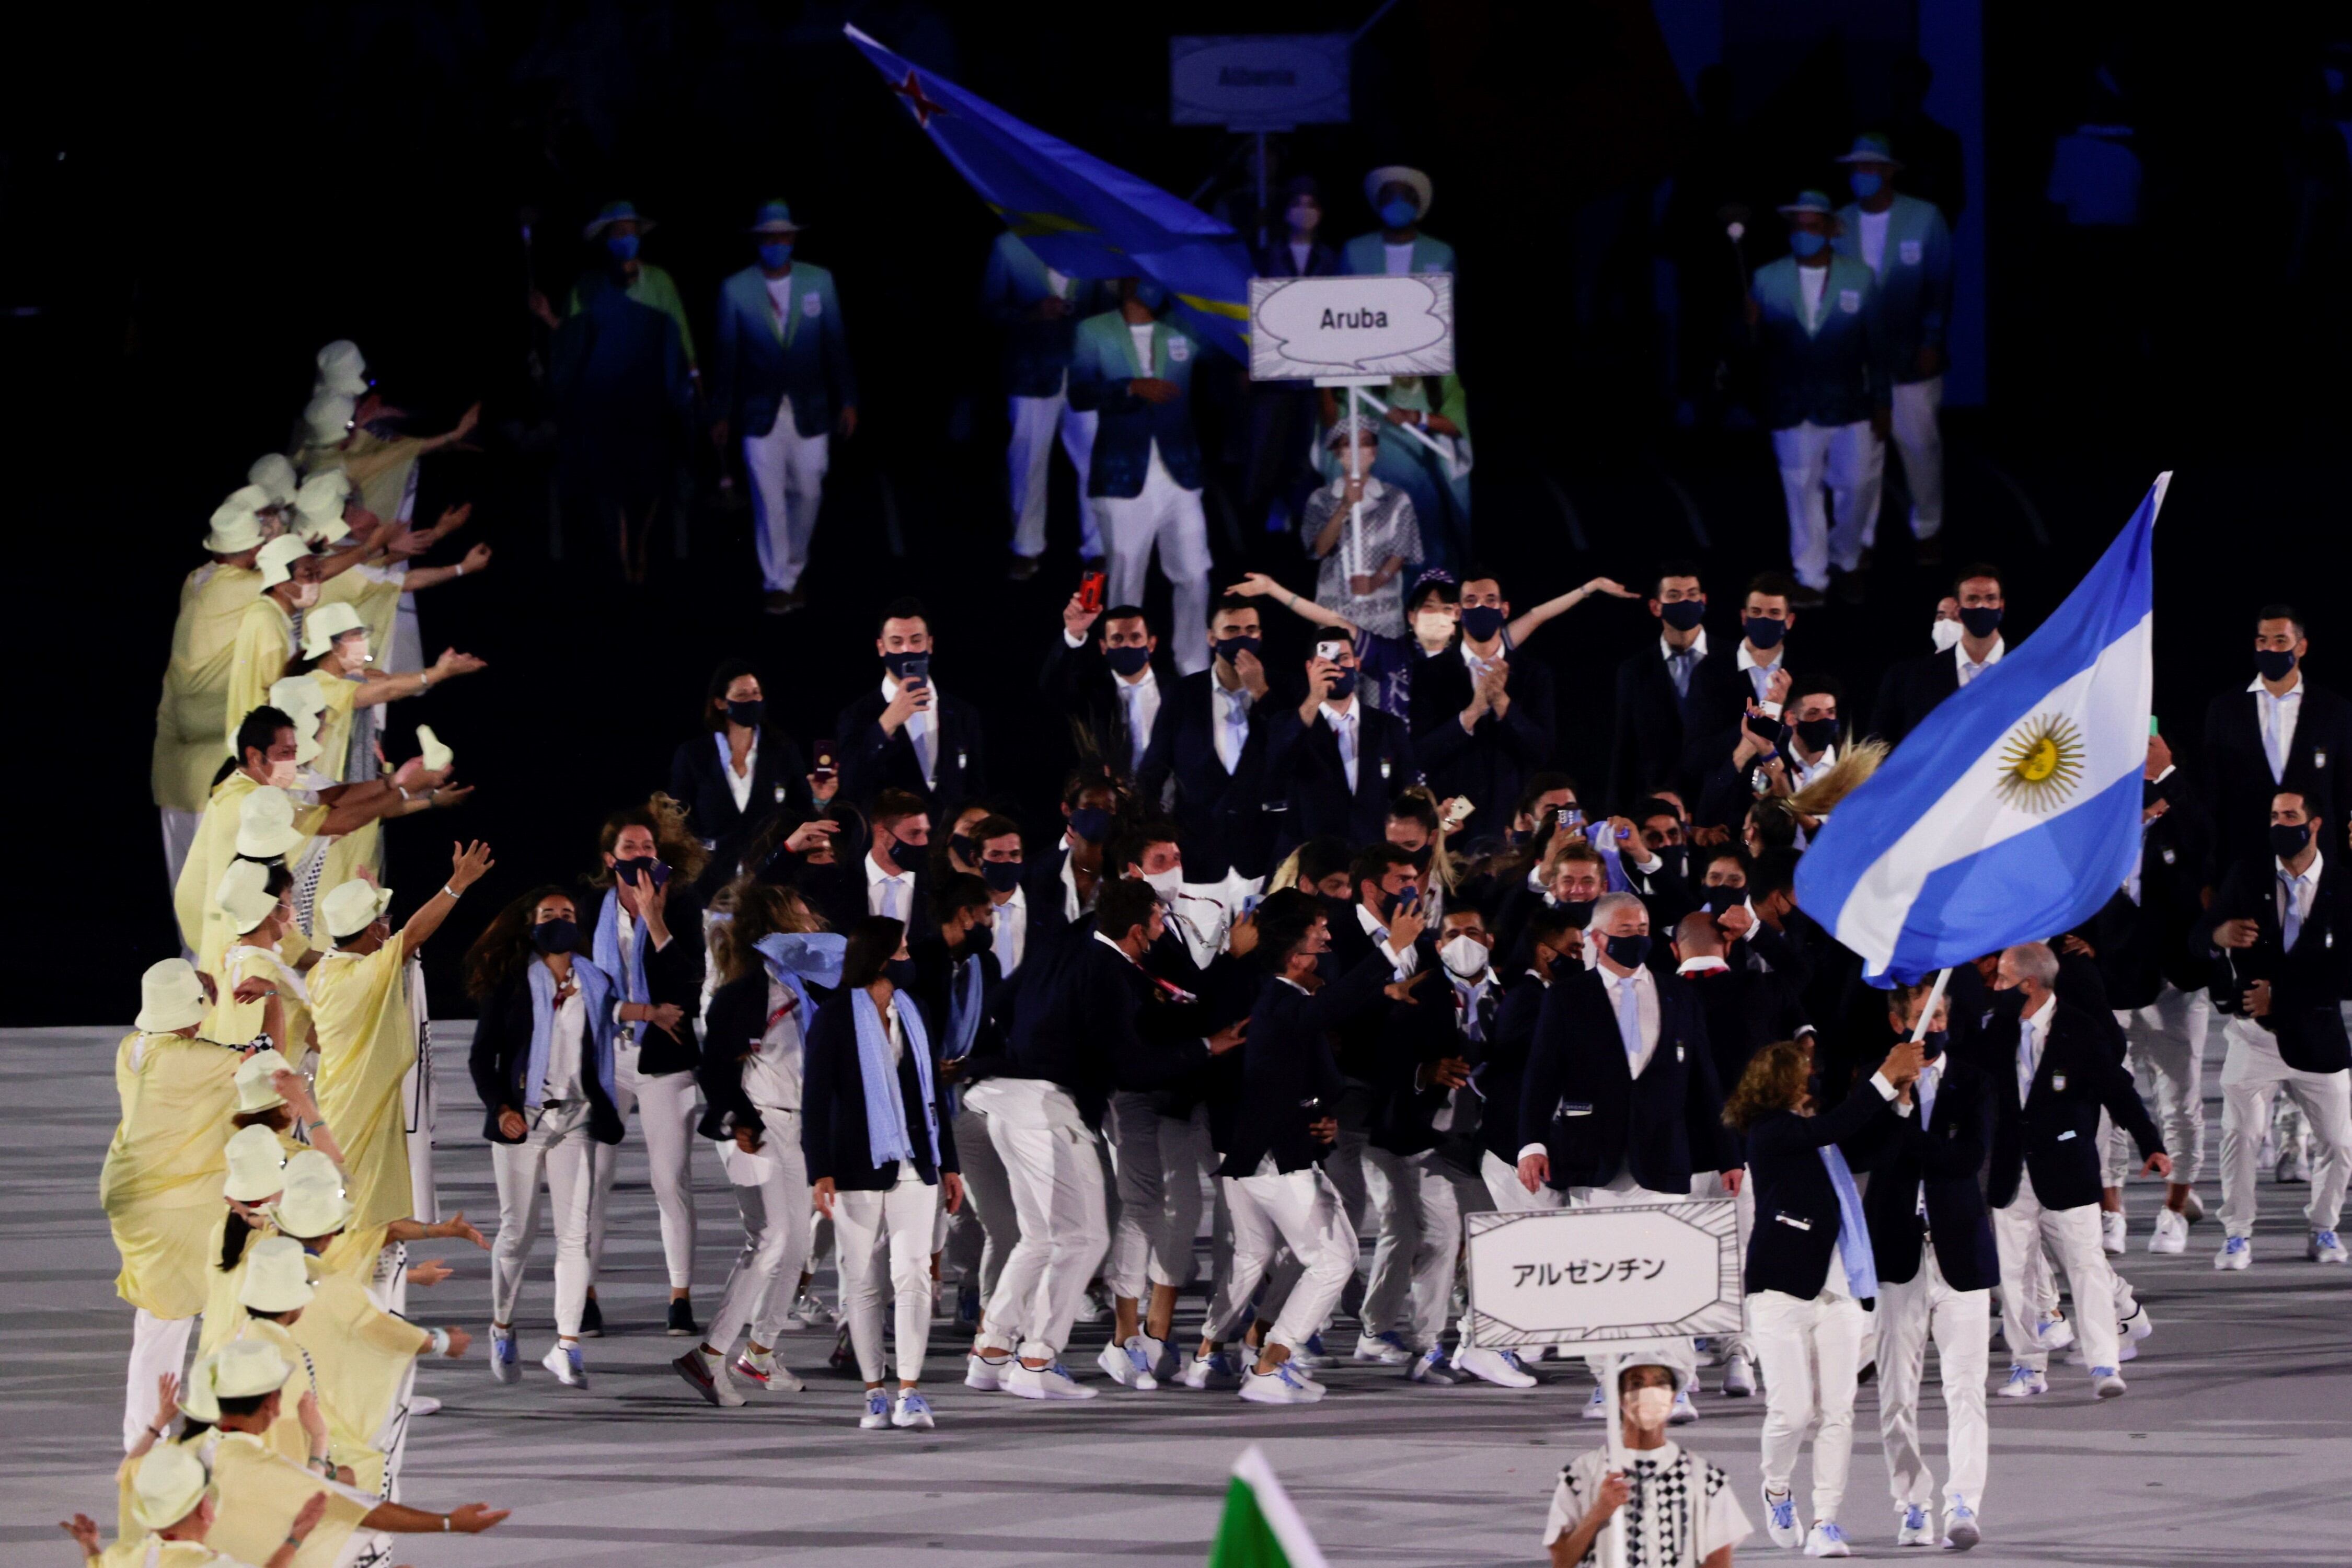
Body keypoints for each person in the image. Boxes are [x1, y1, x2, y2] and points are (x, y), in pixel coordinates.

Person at [964, 878, 1242, 1398]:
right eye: (1159, 923)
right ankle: (1038, 1359)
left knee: (1042, 1236)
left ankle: (993, 1349)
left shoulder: (1063, 948)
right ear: (1138, 931)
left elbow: (1000, 1000)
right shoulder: (1107, 972)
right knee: (1085, 1237)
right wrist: (1206, 1047)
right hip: (1044, 1107)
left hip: (999, 1096)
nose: (1164, 931)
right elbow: (1132, 1066)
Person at [1186, 889, 1400, 1402]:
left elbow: (1308, 1048)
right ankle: (1270, 1362)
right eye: (1319, 932)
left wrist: (1318, 1114)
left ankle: (1209, 1354)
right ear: (1294, 951)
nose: (1328, 939)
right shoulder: (1278, 999)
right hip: (1269, 1153)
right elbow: (1325, 1010)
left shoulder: (1286, 998)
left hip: (1259, 1149)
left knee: (1258, 1255)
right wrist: (1391, 952)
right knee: (1334, 1259)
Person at [1725, 1034, 1918, 1557]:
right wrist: (1885, 1073)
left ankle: (1826, 1520)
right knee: (1791, 1413)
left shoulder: (1816, 1138)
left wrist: (1900, 1103)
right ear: (1780, 1081)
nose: (1810, 1079)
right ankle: (1777, 1487)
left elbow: (1872, 1149)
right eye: (1801, 1073)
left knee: (1838, 1410)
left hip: (1839, 1292)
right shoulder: (1770, 1133)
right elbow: (1838, 1124)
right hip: (1781, 1292)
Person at [1985, 941, 2169, 1398]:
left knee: (2085, 1266)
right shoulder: (1995, 1030)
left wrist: (2151, 1144)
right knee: (2015, 1274)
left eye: (2003, 980)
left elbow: (2118, 1091)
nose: (1995, 986)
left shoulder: (2079, 1030)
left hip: (2067, 1170)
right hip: (2012, 1173)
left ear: (2028, 985)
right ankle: (2028, 1368)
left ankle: (2104, 1365)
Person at [802, 916, 963, 1429]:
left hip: (917, 1160)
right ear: (879, 957)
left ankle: (910, 1390)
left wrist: (951, 1164)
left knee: (913, 1272)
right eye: (902, 949)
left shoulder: (914, 1011)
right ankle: (874, 1390)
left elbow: (935, 1095)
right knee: (863, 1282)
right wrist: (819, 1170)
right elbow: (815, 1100)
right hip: (854, 1164)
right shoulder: (832, 1017)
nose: (909, 956)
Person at [1852, 983, 1996, 1552]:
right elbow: (1859, 1152)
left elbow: (1966, 1160)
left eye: (1939, 1014)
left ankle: (1965, 1500)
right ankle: (1912, 1502)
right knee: (1895, 1397)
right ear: (1898, 1025)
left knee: (1967, 1389)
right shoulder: (1873, 1083)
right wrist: (1894, 1098)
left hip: (1960, 1254)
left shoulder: (1973, 1081)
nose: (1932, 1024)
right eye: (1921, 1016)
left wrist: (1903, 1129)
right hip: (1896, 1255)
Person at [464, 884, 623, 1391]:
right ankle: (503, 1326)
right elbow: (480, 1058)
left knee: (574, 1235)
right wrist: (501, 1106)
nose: (560, 919)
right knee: (518, 1233)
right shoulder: (511, 983)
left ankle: (567, 1344)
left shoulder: (596, 983)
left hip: (575, 1119)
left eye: (568, 913)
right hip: (523, 1121)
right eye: (549, 913)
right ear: (532, 926)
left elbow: (613, 1025)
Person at [103, 960, 260, 1454]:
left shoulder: (132, 1049)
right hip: (175, 1204)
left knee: (158, 1325)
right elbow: (264, 1059)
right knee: (230, 1308)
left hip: (134, 1198)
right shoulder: (187, 1058)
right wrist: (273, 1001)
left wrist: (201, 1000)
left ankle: (142, 1442)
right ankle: (228, 1433)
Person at [2195, 788, 2352, 1268]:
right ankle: (2237, 1234)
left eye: (2290, 815)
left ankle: (2324, 1227)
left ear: (2316, 824)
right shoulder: (2249, 874)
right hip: (2255, 1035)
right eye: (2274, 815)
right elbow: (2198, 935)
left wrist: (2279, 995)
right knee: (2240, 1136)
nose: (2280, 823)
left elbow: (2343, 971)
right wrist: (2217, 935)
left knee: (2339, 1144)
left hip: (2319, 1038)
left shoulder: (2343, 887)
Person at [309, 845, 493, 1244]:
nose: (388, 928)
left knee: (367, 1226)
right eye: (382, 920)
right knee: (359, 1233)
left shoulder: (325, 971)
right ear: (372, 929)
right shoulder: (363, 977)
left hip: (349, 1108)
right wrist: (457, 885)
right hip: (361, 1120)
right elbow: (412, 935)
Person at [191, 1335, 510, 1563]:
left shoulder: (187, 1453)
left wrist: (319, 1449)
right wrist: (449, 1522)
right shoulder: (261, 1467)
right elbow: (362, 1510)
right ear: (272, 1403)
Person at [583, 800, 710, 1337]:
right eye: (630, 848)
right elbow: (585, 988)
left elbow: (689, 983)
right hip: (607, 1055)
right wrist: (636, 1011)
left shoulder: (681, 903)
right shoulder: (590, 908)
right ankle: (583, 1294)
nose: (641, 855)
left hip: (667, 1059)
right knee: (593, 1180)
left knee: (669, 1180)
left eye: (648, 847)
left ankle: (680, 1296)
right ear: (611, 859)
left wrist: (654, 919)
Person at [2083, 731, 2212, 1253]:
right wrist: (2081, 942)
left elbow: (2208, 839)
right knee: (2109, 1102)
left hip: (2173, 984)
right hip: (2109, 984)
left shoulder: (2177, 816)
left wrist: (2167, 774)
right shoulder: (2096, 823)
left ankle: (2174, 1209)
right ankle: (2110, 1211)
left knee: (2180, 1101)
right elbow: (2074, 886)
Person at [710, 200, 859, 615]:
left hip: (811, 408)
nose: (776, 243)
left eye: (783, 235)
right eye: (768, 237)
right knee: (768, 497)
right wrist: (720, 412)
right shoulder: (736, 289)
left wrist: (848, 399)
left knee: (809, 488)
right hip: (760, 412)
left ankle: (793, 566)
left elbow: (836, 345)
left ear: (793, 238)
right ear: (758, 240)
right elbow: (726, 356)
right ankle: (778, 582)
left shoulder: (819, 281)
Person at [1748, 191, 1888, 606]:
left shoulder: (1859, 278)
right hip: (1792, 405)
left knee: (1858, 483)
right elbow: (1754, 349)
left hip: (1849, 403)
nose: (1803, 234)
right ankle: (1811, 576)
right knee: (1801, 488)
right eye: (1797, 227)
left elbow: (1876, 347)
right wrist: (1748, 325)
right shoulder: (1767, 279)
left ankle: (1847, 557)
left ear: (1829, 229)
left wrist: (1883, 402)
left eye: (1812, 226)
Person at [1068, 277, 1214, 675]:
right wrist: (1130, 386)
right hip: (1122, 475)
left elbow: (1229, 353)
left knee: (1195, 573)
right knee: (1126, 576)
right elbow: (1079, 394)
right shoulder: (1093, 330)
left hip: (1179, 473)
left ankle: (1194, 668)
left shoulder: (1184, 330)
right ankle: (1125, 669)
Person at [543, 200, 693, 584]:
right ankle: (622, 555)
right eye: (618, 233)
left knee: (650, 481)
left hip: (650, 402)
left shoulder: (658, 282)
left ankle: (639, 543)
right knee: (609, 484)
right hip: (602, 403)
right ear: (607, 240)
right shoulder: (588, 287)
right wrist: (548, 319)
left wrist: (692, 379)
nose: (627, 239)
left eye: (632, 232)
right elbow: (573, 340)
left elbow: (680, 335)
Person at [1832, 133, 1953, 564]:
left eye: (1870, 167)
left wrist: (1932, 341)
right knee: (1859, 457)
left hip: (1912, 359)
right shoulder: (1840, 222)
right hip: (1859, 364)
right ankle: (1860, 539)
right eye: (1855, 168)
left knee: (1920, 447)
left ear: (1888, 171)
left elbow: (1940, 286)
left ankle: (1928, 529)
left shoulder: (1924, 219)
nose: (1862, 176)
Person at [1542, 1351, 1751, 1568]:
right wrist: (1598, 1513)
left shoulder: (1706, 1479)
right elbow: (1562, 1561)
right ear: (1620, 1398)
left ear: (1673, 1399)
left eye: (1660, 1385)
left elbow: (1719, 1563)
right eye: (1637, 1384)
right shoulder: (1580, 1474)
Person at [155, 501, 271, 890]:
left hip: (174, 772)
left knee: (186, 888)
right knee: (222, 892)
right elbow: (304, 573)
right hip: (212, 774)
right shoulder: (241, 586)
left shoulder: (196, 582)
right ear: (254, 550)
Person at [984, 228, 1105, 577]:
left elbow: (1105, 308)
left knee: (1093, 461)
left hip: (1084, 371)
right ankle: (1026, 547)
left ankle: (1097, 549)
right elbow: (989, 305)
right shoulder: (1009, 245)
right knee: (1028, 460)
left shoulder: (1092, 243)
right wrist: (1030, 314)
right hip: (1031, 371)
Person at [1136, 595, 1279, 883]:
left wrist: (1263, 694)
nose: (1243, 638)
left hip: (1264, 857)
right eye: (1232, 631)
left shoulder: (1282, 692)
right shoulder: (1183, 694)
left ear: (1261, 635)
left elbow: (1294, 754)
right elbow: (1153, 771)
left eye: (1251, 630)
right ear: (1212, 638)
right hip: (1196, 856)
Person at [2199, 605, 2352, 872]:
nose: (2270, 649)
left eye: (2281, 641)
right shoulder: (2225, 709)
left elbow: (2346, 788)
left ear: (2301, 647)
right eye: (2263, 641)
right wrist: (2210, 871)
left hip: (2316, 861)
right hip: (2244, 861)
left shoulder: (2333, 710)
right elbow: (2213, 793)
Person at [1410, 567, 1559, 829]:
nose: (1481, 608)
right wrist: (1473, 712)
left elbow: (1543, 749)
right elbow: (1422, 753)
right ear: (1457, 612)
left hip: (1517, 815)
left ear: (1504, 610)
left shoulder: (1533, 673)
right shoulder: (1430, 674)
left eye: (1490, 600)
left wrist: (1502, 704)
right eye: (1471, 601)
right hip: (1456, 812)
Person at [1242, 175, 1338, 537]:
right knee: (1266, 451)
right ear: (1285, 211)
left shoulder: (1332, 259)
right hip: (1274, 375)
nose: (1304, 211)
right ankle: (1260, 523)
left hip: (1314, 376)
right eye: (1297, 203)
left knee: (1306, 456)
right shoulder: (1266, 257)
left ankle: (1304, 526)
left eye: (1311, 204)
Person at [64, 1440, 328, 1568]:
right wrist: (296, 1537)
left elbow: (97, 1565)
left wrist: (89, 1544)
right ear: (205, 1511)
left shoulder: (123, 1559)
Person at [834, 598, 989, 810]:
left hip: (947, 839)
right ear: (881, 647)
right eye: (897, 642)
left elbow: (975, 788)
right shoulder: (857, 714)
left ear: (930, 644)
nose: (907, 650)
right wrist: (885, 724)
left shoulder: (962, 713)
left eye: (916, 640)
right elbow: (851, 787)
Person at [1265, 638, 1420, 848]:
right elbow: (1277, 769)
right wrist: (1314, 699)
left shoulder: (1389, 727)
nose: (1336, 667)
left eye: (1344, 658)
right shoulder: (1288, 723)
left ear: (1357, 664)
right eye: (1326, 661)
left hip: (1371, 859)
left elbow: (1406, 793)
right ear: (1310, 668)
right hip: (1313, 859)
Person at [669, 659, 814, 854]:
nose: (752, 701)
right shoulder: (693, 755)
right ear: (720, 703)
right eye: (742, 695)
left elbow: (803, 812)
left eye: (756, 693)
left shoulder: (783, 751)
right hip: (710, 874)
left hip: (769, 872)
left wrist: (821, 800)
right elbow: (678, 820)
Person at [1299, 415, 1424, 640]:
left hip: (1382, 615)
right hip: (1334, 613)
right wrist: (1345, 506)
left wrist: (1375, 581)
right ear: (1338, 453)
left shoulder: (1396, 499)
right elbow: (1318, 549)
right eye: (1348, 444)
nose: (1357, 450)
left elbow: (1402, 551)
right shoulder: (1321, 499)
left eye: (1365, 443)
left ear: (1374, 451)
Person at [1609, 563, 1712, 812]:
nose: (1685, 602)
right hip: (1655, 808)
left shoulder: (1733, 661)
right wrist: (1615, 814)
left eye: (1692, 595)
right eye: (1674, 596)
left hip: (1718, 805)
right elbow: (1625, 748)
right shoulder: (1633, 671)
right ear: (1656, 607)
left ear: (1703, 600)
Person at [1045, 596, 1173, 786]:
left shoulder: (1176, 691)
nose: (1127, 645)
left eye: (1135, 637)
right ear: (1104, 647)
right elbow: (1052, 685)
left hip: (1167, 802)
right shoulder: (1090, 691)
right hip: (1107, 801)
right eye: (1117, 639)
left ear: (1151, 644)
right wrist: (1074, 633)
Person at [1871, 563, 2004, 743]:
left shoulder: (2028, 668)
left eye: (1990, 598)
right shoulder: (1914, 678)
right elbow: (1878, 746)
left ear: (2001, 606)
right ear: (1958, 608)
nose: (1982, 606)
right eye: (1973, 599)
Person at [1342, 165, 1458, 275]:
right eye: (1389, 195)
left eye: (1406, 196)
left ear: (1418, 203)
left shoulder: (1441, 253)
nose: (1398, 202)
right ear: (1379, 203)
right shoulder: (1355, 251)